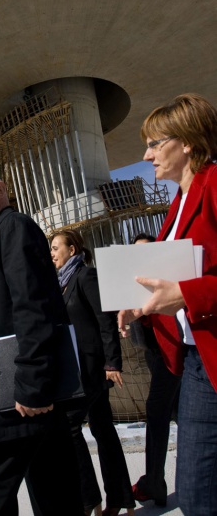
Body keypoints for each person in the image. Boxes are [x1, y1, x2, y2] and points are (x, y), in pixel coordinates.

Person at [0, 171, 85, 516]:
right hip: (28, 393)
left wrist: (31, 384)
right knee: (54, 488)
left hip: (19, 397)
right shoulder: (1, 234)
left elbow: (33, 306)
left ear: (0, 190)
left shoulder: (14, 227)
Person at [118, 93, 217, 516]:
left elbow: (186, 285)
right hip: (195, 361)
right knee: (196, 494)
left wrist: (187, 294)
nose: (146, 154)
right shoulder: (176, 206)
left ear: (188, 142)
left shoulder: (214, 186)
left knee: (199, 494)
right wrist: (138, 302)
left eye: (156, 143)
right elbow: (167, 275)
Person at [50, 229, 135, 516]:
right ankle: (119, 499)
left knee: (72, 427)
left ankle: (90, 502)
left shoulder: (85, 276)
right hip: (78, 370)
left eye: (55, 247)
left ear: (72, 250)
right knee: (103, 430)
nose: (51, 253)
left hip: (93, 369)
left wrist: (112, 363)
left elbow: (106, 319)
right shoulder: (61, 284)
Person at [129, 233, 181, 507]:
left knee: (157, 410)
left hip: (173, 351)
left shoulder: (166, 281)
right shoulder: (135, 282)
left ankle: (154, 482)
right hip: (153, 352)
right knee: (178, 411)